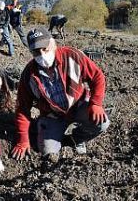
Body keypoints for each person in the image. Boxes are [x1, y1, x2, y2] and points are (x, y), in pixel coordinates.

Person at [11, 27, 110, 160]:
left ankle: (76, 139)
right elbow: (22, 108)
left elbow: (97, 76)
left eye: (45, 49)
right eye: (36, 52)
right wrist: (22, 140)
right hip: (53, 115)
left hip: (78, 105)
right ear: (31, 52)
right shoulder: (29, 74)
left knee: (102, 123)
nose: (42, 55)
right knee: (47, 152)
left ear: (53, 44)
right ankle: (49, 131)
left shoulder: (72, 56)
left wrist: (95, 103)